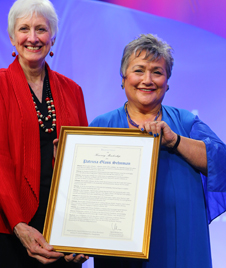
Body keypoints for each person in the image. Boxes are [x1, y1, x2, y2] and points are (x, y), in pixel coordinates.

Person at [90, 34, 226, 268]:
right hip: (120, 249)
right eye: (139, 70)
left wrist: (174, 141)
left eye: (157, 72)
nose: (147, 80)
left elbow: (221, 163)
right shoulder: (102, 125)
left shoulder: (186, 122)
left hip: (182, 244)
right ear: (123, 78)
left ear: (168, 81)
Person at [0, 0, 89, 267]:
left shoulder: (73, 91)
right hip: (3, 224)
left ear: (53, 36)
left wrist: (83, 230)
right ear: (12, 37)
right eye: (24, 28)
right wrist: (19, 224)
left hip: (58, 225)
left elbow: (83, 166)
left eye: (41, 29)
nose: (33, 38)